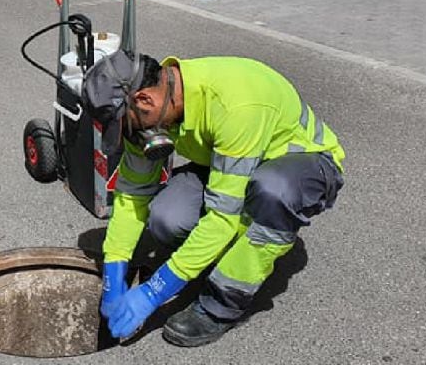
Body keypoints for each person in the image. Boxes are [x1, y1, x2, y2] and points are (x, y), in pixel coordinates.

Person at [82, 51, 345, 347]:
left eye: (126, 125)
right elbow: (131, 196)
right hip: (229, 164)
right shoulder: (156, 109)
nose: (129, 134)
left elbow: (222, 218)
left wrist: (155, 291)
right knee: (167, 216)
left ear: (144, 100)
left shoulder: (235, 103)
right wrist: (114, 268)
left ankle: (220, 305)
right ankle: (216, 251)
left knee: (271, 191)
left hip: (300, 165)